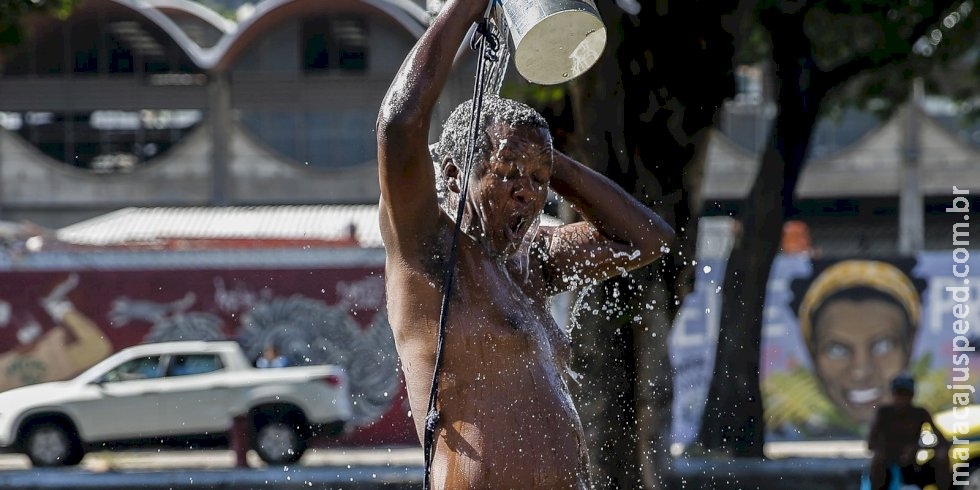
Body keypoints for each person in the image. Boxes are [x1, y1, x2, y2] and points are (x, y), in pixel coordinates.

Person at [376, 0, 674, 487]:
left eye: (539, 179)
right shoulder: (428, 249)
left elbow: (648, 240)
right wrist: (466, 8)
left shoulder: (534, 260)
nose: (528, 192)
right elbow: (397, 125)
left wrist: (551, 161)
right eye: (510, 172)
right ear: (453, 175)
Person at [867, 374, 951, 490]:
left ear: (912, 395)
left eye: (906, 395)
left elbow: (942, 440)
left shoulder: (920, 413)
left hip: (912, 465)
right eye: (899, 394)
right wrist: (887, 450)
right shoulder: (884, 413)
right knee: (878, 460)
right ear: (893, 395)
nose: (902, 399)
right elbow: (871, 443)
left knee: (942, 458)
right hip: (888, 465)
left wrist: (917, 448)